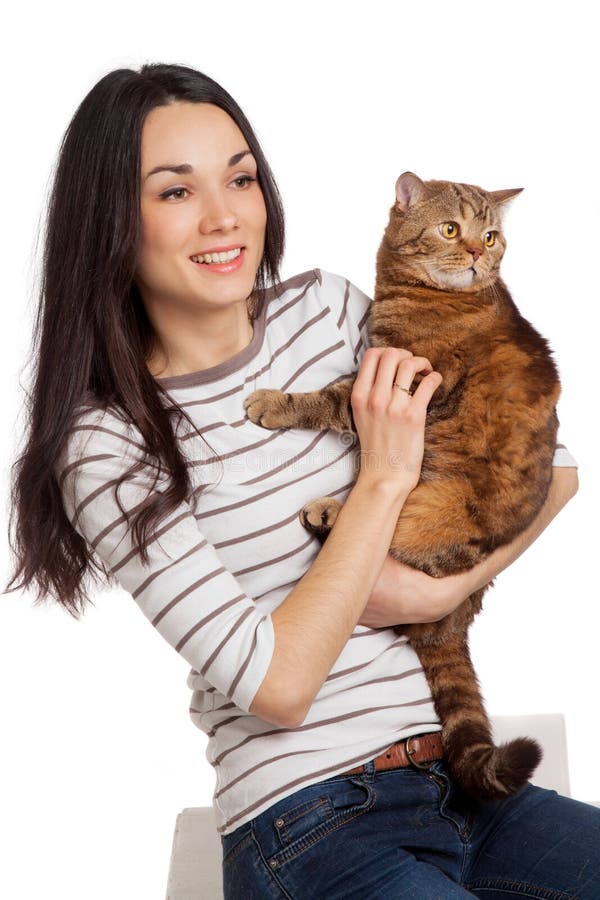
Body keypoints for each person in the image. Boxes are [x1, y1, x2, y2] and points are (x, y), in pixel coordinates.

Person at [5, 62, 598, 899]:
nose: (224, 216)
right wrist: (386, 477)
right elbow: (276, 688)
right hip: (309, 823)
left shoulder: (326, 310)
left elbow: (557, 469)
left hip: (465, 785)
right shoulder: (105, 443)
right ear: (109, 219)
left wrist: (434, 594)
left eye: (240, 178)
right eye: (176, 192)